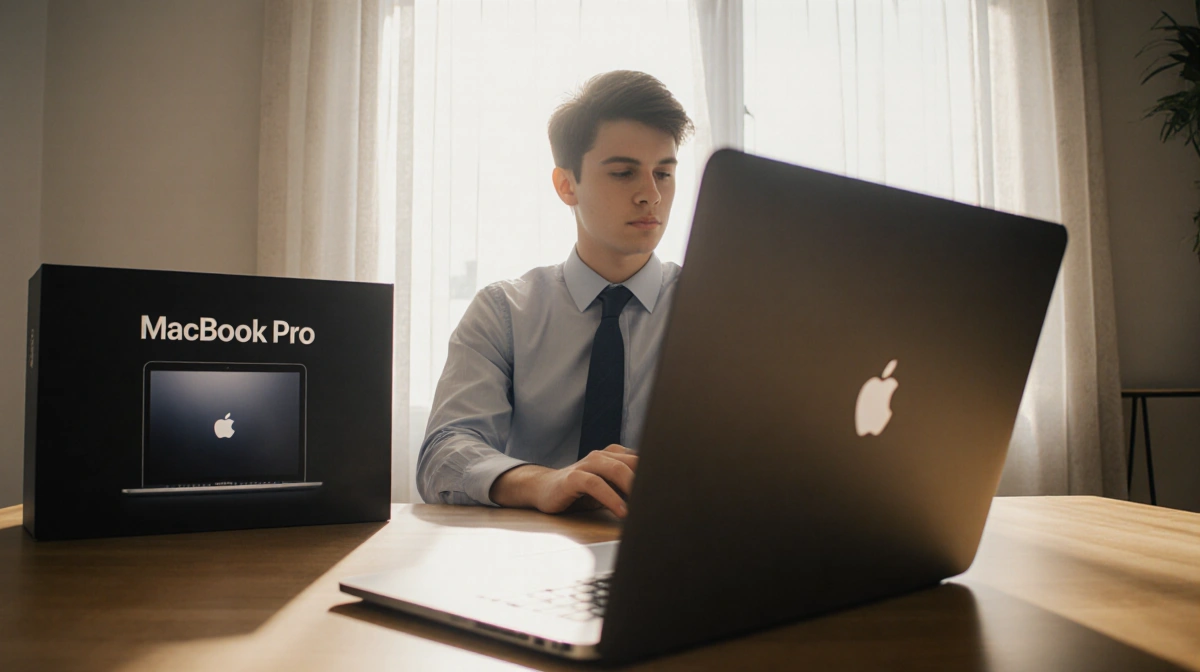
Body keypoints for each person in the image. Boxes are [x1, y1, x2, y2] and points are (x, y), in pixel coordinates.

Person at [416, 70, 694, 519]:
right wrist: (545, 481)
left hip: (674, 553)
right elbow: (444, 455)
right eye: (624, 173)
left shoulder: (713, 313)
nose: (652, 195)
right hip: (531, 558)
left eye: (664, 173)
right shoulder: (503, 311)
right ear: (567, 186)